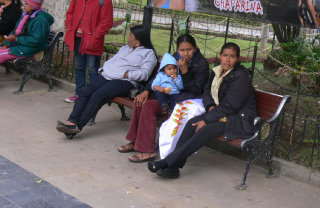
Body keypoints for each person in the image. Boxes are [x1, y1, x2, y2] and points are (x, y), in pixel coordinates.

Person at [147, 42, 257, 179]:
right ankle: (174, 168)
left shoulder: (240, 77)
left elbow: (230, 106)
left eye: (232, 57)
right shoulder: (217, 71)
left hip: (237, 119)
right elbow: (206, 92)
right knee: (191, 124)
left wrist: (206, 119)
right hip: (219, 113)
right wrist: (210, 107)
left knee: (203, 129)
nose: (228, 60)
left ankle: (168, 162)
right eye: (225, 55)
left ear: (238, 59)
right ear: (220, 56)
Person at [118, 33, 209, 163]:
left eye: (189, 49)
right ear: (177, 50)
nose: (185, 53)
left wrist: (185, 72)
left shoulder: (201, 64)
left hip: (183, 100)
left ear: (195, 48)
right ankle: (135, 141)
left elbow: (195, 90)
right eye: (182, 50)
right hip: (166, 95)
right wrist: (146, 91)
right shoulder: (174, 57)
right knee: (140, 101)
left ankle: (147, 150)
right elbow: (160, 76)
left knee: (149, 106)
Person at [56, 25, 157, 138]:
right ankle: (72, 121)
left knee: (98, 95)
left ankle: (77, 126)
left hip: (125, 82)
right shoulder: (125, 48)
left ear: (138, 41)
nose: (128, 38)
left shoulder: (149, 54)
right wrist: (106, 69)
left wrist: (125, 73)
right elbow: (112, 62)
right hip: (109, 75)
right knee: (85, 91)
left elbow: (144, 74)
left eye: (130, 36)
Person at [64, 0, 114, 103]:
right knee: (79, 66)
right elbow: (71, 12)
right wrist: (69, 27)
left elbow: (107, 21)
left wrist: (95, 35)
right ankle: (80, 94)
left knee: (92, 68)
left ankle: (92, 97)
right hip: (77, 38)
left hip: (92, 40)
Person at [0, 0, 53, 64]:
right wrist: (7, 43)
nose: (24, 5)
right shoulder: (26, 16)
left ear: (33, 6)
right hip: (20, 47)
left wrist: (16, 39)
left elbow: (35, 40)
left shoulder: (40, 21)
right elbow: (15, 30)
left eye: (26, 3)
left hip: (30, 50)